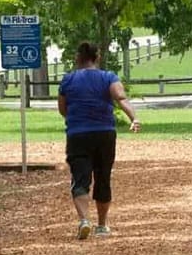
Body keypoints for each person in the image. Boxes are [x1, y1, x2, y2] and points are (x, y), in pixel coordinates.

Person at [57, 41, 140, 240]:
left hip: (78, 134)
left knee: (80, 178)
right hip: (105, 133)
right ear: (97, 57)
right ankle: (102, 225)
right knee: (103, 177)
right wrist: (134, 118)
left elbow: (62, 109)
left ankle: (85, 220)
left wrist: (77, 117)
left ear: (78, 57)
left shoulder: (68, 80)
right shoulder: (108, 77)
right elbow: (120, 97)